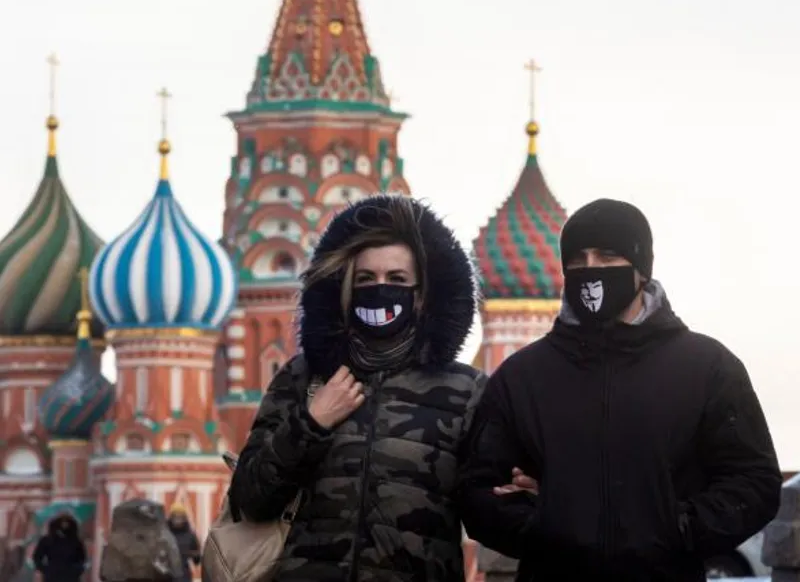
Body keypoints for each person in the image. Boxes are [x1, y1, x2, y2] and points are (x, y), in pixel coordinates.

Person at [458, 198, 783, 582]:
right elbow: (479, 489)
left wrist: (677, 528)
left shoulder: (706, 368)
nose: (591, 269)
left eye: (607, 256)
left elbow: (753, 481)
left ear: (641, 268)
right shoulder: (522, 377)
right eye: (578, 259)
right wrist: (544, 526)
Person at [229, 195, 486, 581]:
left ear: (420, 295)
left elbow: (486, 515)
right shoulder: (304, 377)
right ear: (345, 288)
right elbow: (250, 499)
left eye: (396, 279)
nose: (380, 289)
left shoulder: (463, 391)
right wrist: (312, 424)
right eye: (366, 279)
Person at [32, 514, 87, 582]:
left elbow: (82, 559)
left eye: (66, 523)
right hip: (52, 577)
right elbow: (37, 557)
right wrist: (46, 570)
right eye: (62, 523)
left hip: (71, 577)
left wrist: (76, 571)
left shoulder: (76, 541)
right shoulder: (47, 540)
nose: (64, 526)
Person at [166, 504, 200, 582]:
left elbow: (197, 560)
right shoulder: (164, 534)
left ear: (184, 518)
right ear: (171, 518)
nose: (177, 520)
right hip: (167, 575)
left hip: (184, 576)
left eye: (180, 517)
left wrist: (195, 555)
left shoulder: (190, 535)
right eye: (175, 517)